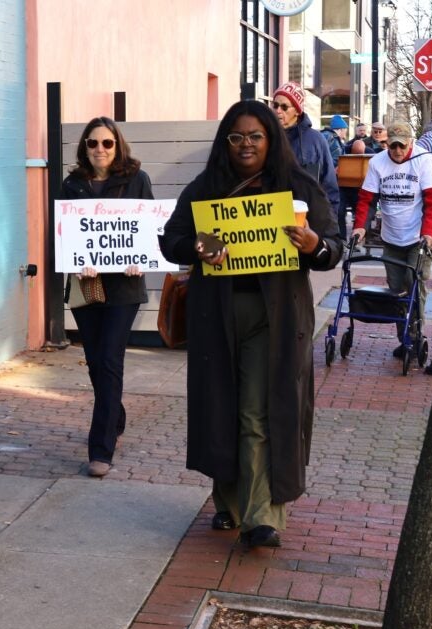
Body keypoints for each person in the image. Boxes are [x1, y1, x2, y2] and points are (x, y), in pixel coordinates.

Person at [160, 100, 344, 550]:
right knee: (221, 405)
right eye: (237, 137)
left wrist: (313, 243)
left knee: (258, 412)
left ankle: (263, 515)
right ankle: (230, 502)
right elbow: (172, 240)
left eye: (255, 137)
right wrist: (200, 245)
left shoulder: (296, 186)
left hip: (275, 319)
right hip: (216, 316)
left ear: (272, 140)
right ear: (226, 141)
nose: (246, 145)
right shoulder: (207, 187)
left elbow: (333, 249)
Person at [60, 117, 152, 478]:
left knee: (110, 360)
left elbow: (146, 229)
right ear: (84, 147)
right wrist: (75, 260)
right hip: (87, 286)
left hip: (124, 288)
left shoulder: (136, 180)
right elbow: (64, 232)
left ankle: (101, 449)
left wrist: (138, 259)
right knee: (96, 361)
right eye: (93, 143)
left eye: (107, 143)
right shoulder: (73, 184)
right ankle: (116, 413)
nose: (100, 149)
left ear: (118, 145)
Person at [351, 121, 432, 358]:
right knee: (396, 291)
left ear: (411, 142)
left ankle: (416, 337)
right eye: (393, 146)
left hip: (417, 238)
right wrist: (360, 227)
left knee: (415, 286)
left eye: (402, 146)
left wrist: (429, 233)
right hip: (391, 237)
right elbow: (366, 200)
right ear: (386, 144)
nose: (398, 151)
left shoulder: (424, 160)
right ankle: (404, 339)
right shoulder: (378, 163)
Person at [270, 81, 340, 216]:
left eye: (284, 107)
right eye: (275, 105)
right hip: (272, 218)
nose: (278, 111)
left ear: (297, 111)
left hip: (307, 219)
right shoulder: (266, 138)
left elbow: (329, 185)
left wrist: (330, 228)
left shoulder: (316, 140)